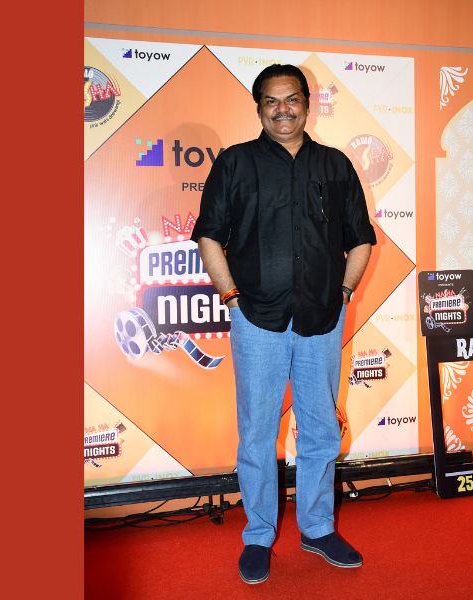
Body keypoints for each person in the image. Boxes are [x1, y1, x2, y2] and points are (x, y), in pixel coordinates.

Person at [191, 64, 376, 585]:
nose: (282, 109)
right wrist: (231, 296)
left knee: (320, 429)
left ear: (306, 104)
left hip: (321, 317)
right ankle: (258, 536)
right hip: (257, 319)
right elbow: (209, 235)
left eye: (291, 99)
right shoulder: (235, 163)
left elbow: (361, 239)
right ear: (259, 108)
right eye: (271, 101)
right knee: (257, 433)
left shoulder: (335, 165)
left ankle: (318, 528)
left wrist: (343, 293)